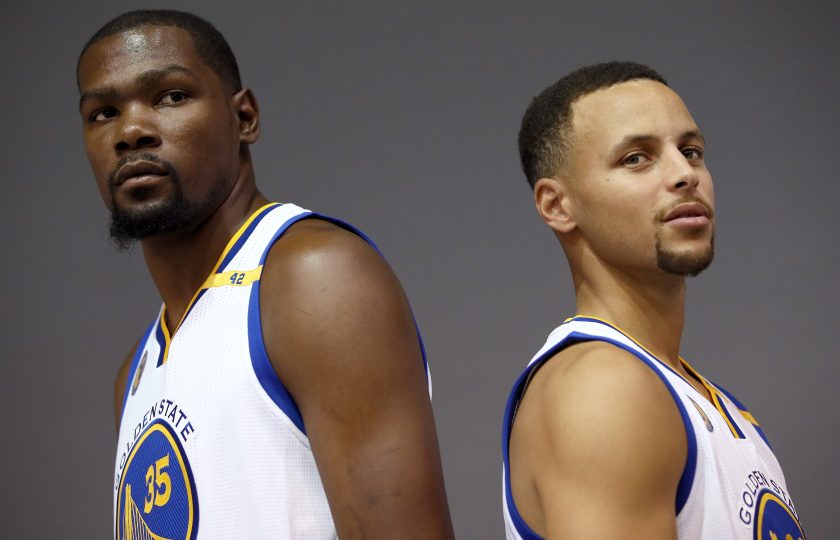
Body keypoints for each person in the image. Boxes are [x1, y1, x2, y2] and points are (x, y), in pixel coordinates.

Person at [78, 9, 454, 539]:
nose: (131, 130)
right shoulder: (135, 372)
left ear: (245, 118)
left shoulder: (315, 280)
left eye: (171, 96)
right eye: (103, 112)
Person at [502, 62, 804, 539]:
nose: (685, 174)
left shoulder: (701, 399)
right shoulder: (602, 389)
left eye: (691, 151)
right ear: (557, 206)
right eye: (636, 159)